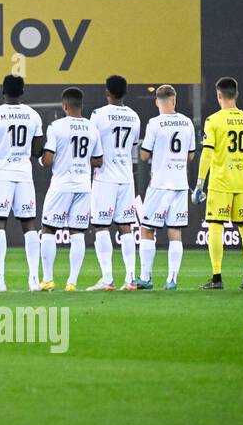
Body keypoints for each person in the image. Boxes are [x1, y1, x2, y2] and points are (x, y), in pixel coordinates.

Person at [192, 77, 243, 289]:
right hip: (242, 183)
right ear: (237, 94)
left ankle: (217, 278)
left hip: (220, 184)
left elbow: (207, 154)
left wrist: (199, 184)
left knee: (216, 227)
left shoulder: (213, 120)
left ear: (219, 95)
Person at [0, 75, 45, 291]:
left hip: (1, 174)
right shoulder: (33, 115)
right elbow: (37, 151)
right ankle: (34, 279)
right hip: (24, 174)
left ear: (2, 91)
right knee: (29, 224)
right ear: (22, 91)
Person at [39, 88, 103, 292]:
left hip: (62, 185)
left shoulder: (56, 126)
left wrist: (41, 159)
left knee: (49, 229)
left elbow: (48, 159)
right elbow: (98, 160)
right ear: (81, 105)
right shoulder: (92, 128)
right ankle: (72, 282)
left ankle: (48, 279)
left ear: (64, 106)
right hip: (83, 186)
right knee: (77, 233)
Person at [138, 85, 197, 289]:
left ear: (157, 102)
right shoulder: (187, 122)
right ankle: (172, 280)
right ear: (174, 100)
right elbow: (191, 155)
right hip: (180, 184)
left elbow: (144, 155)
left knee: (147, 229)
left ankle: (145, 278)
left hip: (160, 184)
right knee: (175, 231)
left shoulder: (154, 123)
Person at [88, 75, 142, 290]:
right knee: (125, 226)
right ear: (125, 92)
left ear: (107, 92)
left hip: (104, 177)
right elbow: (133, 146)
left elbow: (91, 146)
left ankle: (107, 279)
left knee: (101, 226)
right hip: (126, 177)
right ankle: (130, 279)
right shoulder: (134, 116)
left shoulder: (98, 115)